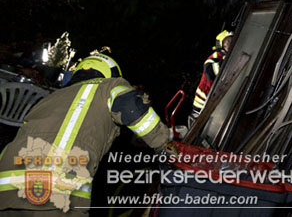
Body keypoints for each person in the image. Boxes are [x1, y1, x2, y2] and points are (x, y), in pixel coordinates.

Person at [0, 52, 170, 216]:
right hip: (53, 187)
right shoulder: (109, 86)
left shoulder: (52, 96)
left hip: (6, 184)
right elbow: (130, 107)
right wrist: (165, 144)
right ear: (109, 74)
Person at [190, 30, 234, 118]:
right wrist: (223, 62)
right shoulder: (214, 58)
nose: (230, 43)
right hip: (202, 102)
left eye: (231, 40)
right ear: (221, 45)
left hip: (213, 100)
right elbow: (210, 74)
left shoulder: (230, 55)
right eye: (227, 41)